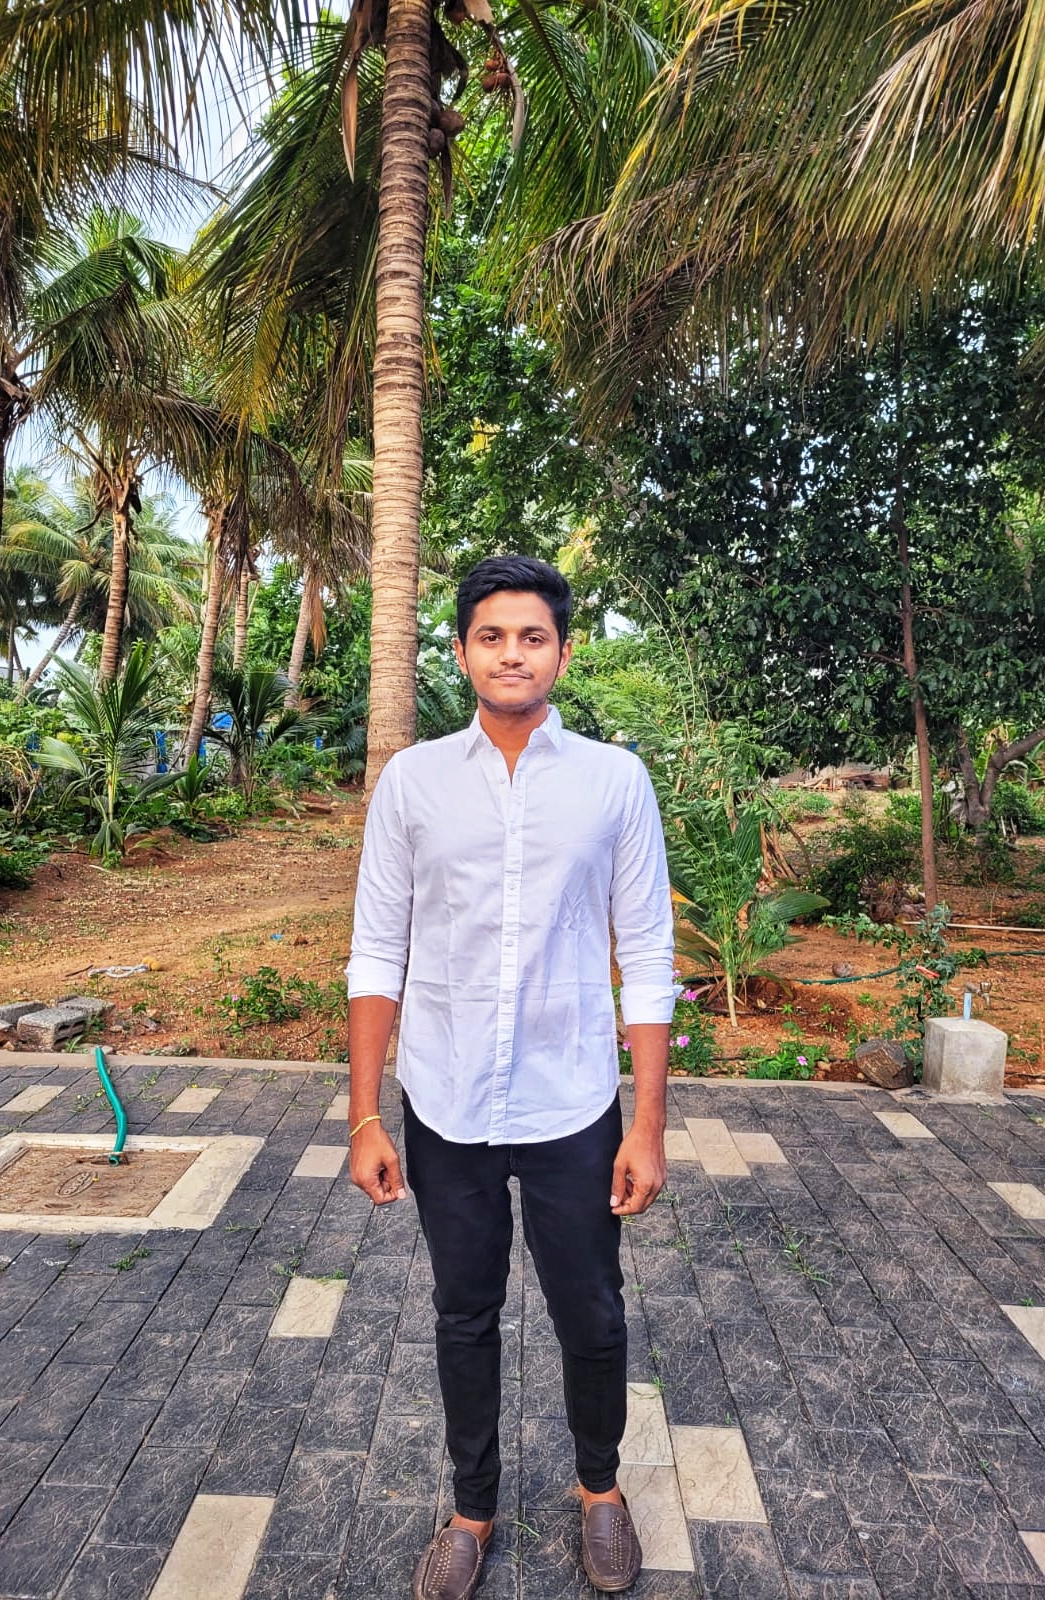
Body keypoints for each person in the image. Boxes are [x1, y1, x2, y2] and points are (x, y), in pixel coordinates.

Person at [346, 555, 675, 1599]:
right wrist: (363, 1115)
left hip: (572, 1099)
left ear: (563, 653)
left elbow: (647, 955)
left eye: (532, 636)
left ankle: (600, 1489)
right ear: (461, 653)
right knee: (464, 1314)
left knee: (592, 1312)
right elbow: (376, 950)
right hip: (446, 1101)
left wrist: (647, 1124)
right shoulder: (413, 783)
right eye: (491, 636)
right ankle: (472, 1508)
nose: (512, 654)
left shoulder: (613, 781)